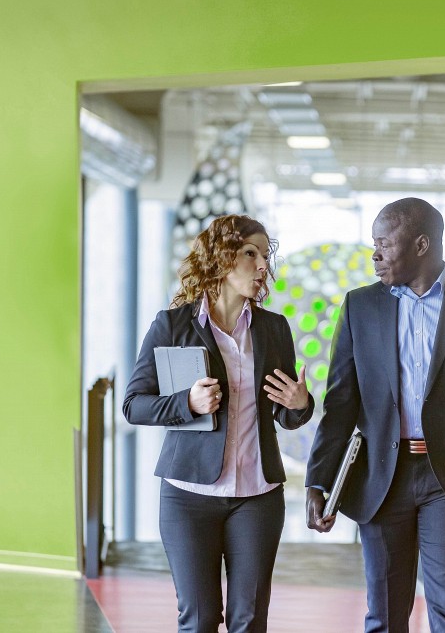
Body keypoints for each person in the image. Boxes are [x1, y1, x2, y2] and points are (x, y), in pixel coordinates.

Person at [305, 198, 445, 633]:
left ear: (422, 244)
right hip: (381, 477)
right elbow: (340, 404)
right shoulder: (359, 306)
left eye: (384, 244)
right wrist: (319, 479)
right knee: (385, 616)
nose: (375, 255)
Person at [124, 214, 314, 633]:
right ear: (221, 257)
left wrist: (300, 404)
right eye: (250, 253)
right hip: (188, 497)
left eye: (265, 256)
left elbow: (287, 413)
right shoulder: (172, 325)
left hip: (258, 497)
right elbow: (134, 405)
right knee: (200, 619)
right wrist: (187, 403)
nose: (262, 265)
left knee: (250, 620)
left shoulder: (273, 328)